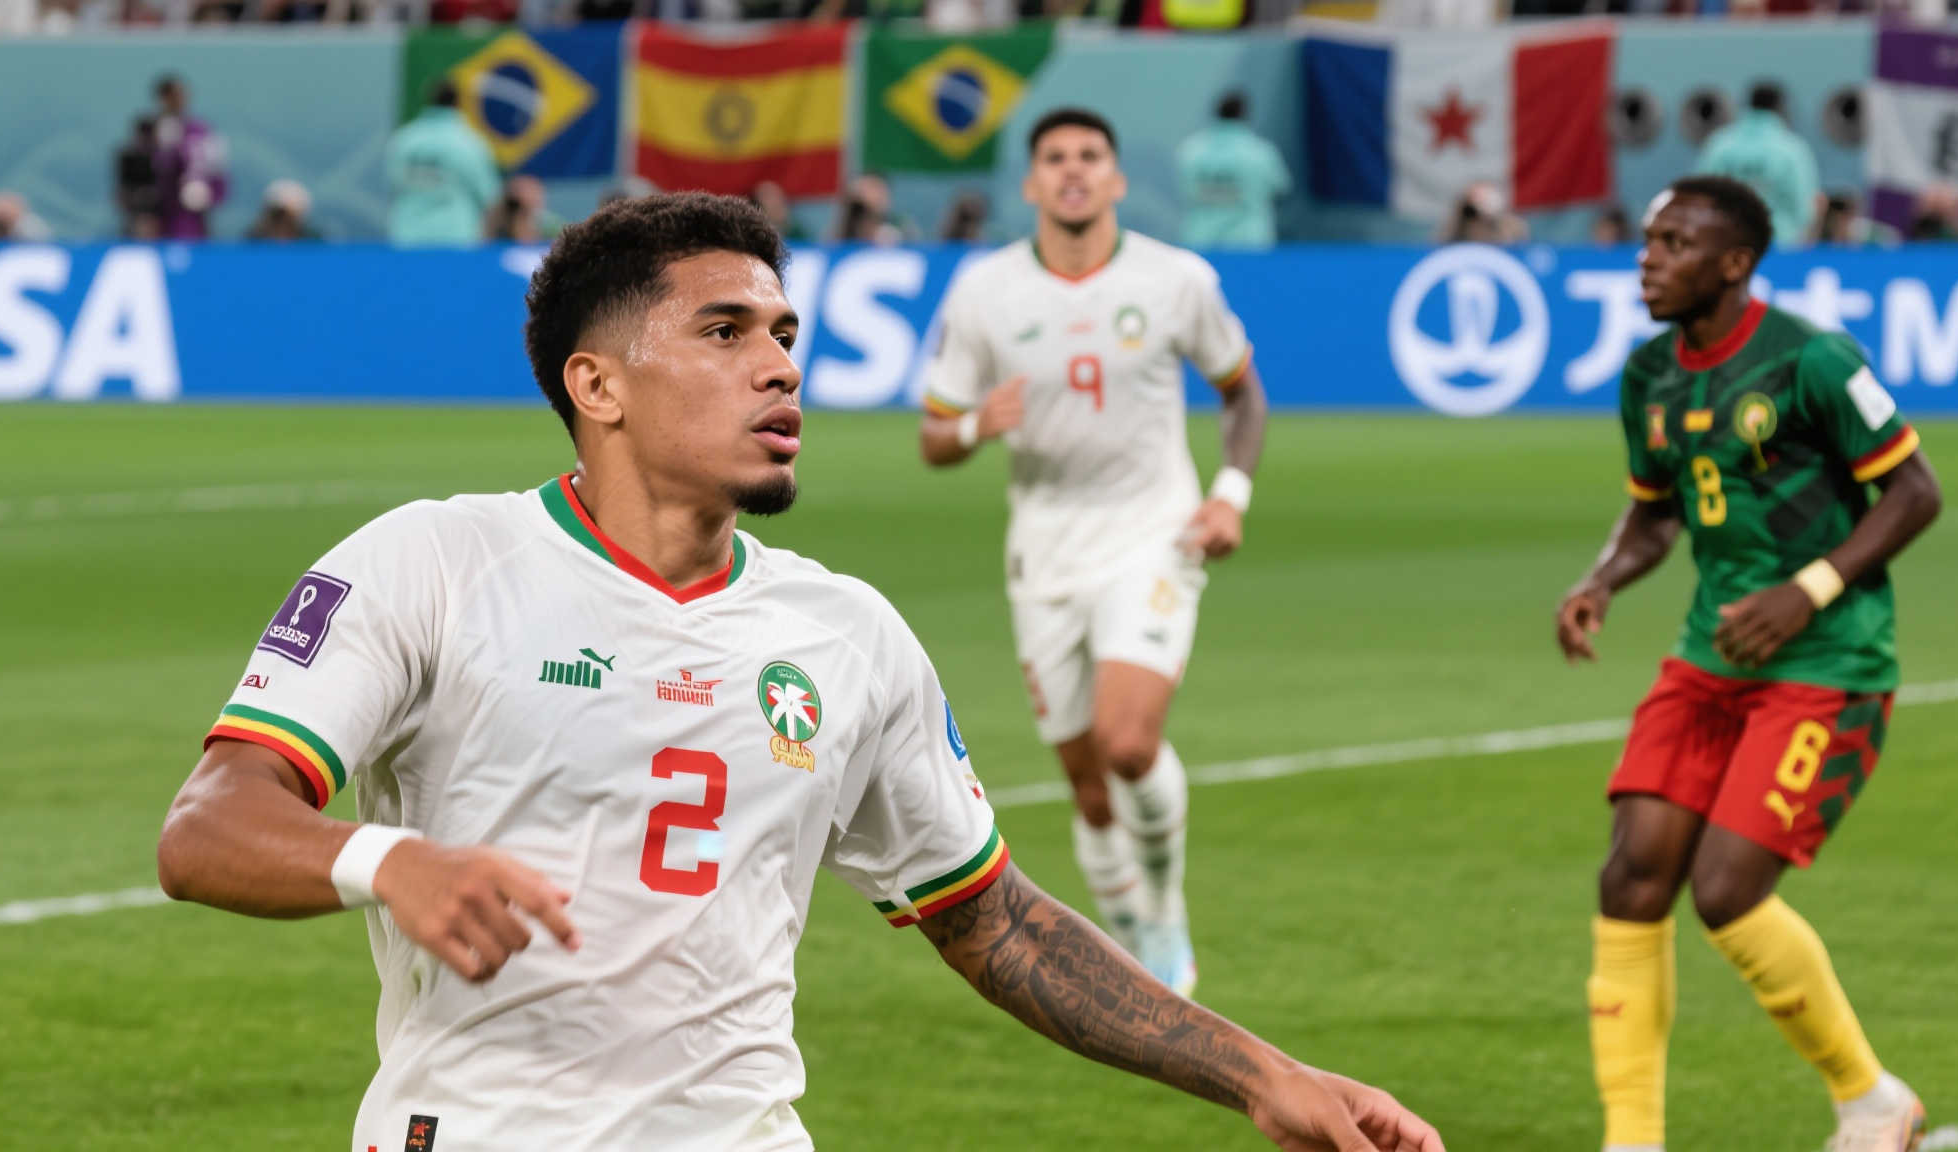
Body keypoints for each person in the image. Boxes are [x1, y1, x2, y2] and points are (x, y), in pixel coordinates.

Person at [156, 192, 1442, 1152]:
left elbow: (991, 919)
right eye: (723, 332)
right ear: (596, 385)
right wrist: (391, 861)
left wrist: (1265, 1077)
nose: (778, 366)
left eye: (782, 332)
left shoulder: (845, 633)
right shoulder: (432, 564)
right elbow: (207, 827)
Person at [1555, 175, 1940, 1152]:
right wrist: (1601, 579)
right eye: (1649, 240)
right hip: (1710, 656)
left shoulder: (1812, 359)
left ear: (1734, 265)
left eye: (1673, 244)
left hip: (1829, 661)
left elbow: (1914, 492)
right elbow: (1654, 512)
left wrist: (1806, 590)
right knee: (1631, 879)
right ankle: (1631, 1141)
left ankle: (1871, 1100)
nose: (1648, 259)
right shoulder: (1649, 373)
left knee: (1725, 892)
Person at [917, 108, 1268, 997]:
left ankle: (1166, 910)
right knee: (1087, 784)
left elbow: (1242, 392)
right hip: (1044, 551)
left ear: (1116, 179)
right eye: (1055, 158)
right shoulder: (985, 292)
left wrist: (1229, 494)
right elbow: (933, 435)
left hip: (1154, 531)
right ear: (1032, 183)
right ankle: (1134, 942)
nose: (1072, 171)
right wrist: (974, 425)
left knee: (1128, 743)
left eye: (1089, 157)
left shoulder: (1176, 279)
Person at [1695, 81, 1821, 248]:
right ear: (1781, 108)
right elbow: (1803, 206)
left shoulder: (1719, 145)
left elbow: (1701, 197)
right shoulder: (1792, 149)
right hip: (1778, 244)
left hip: (1726, 243)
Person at [386, 79, 501, 249]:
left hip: (407, 236)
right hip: (456, 238)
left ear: (429, 101)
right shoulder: (469, 142)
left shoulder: (404, 139)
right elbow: (489, 195)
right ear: (458, 103)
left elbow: (393, 183)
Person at [1176, 90, 1290, 251]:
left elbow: (1184, 189)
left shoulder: (1191, 150)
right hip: (1249, 242)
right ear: (1244, 114)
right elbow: (1280, 188)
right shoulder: (1260, 152)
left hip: (1201, 241)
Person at [150, 74, 228, 240]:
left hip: (194, 214)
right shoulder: (152, 129)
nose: (178, 101)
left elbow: (215, 167)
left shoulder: (199, 129)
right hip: (162, 212)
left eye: (181, 95)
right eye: (172, 96)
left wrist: (212, 193)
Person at [245, 179, 322, 242]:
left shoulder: (314, 245)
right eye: (277, 217)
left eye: (288, 221)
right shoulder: (251, 243)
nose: (281, 226)